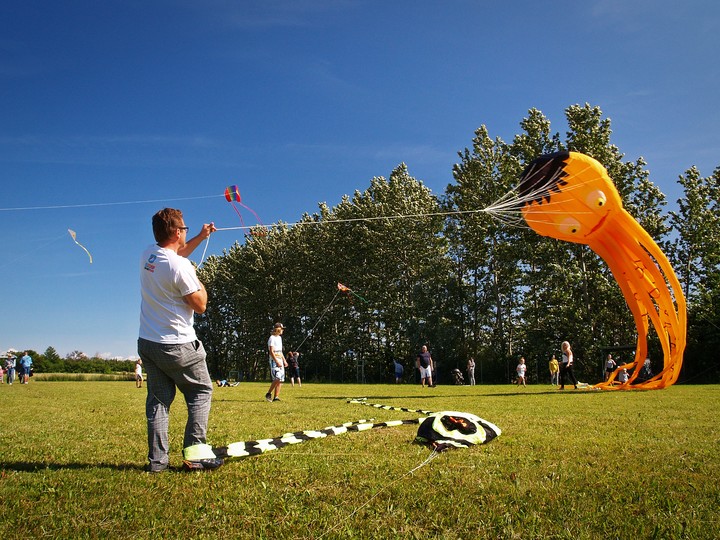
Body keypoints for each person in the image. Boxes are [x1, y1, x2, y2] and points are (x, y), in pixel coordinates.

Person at [137, 208, 222, 473]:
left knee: (159, 401)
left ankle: (157, 463)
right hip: (178, 345)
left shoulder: (149, 254)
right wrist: (198, 279)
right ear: (176, 232)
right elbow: (200, 305)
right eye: (184, 228)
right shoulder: (180, 266)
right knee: (200, 391)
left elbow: (177, 254)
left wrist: (200, 236)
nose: (186, 231)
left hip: (148, 342)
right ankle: (195, 455)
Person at [266, 322, 287, 402]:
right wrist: (276, 361)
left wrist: (284, 361)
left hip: (280, 360)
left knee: (280, 380)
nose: (282, 331)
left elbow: (280, 351)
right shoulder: (272, 338)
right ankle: (268, 393)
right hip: (274, 360)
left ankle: (276, 397)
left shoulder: (279, 338)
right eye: (282, 329)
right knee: (277, 377)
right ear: (278, 329)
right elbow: (271, 351)